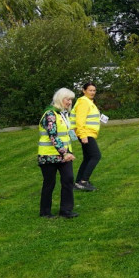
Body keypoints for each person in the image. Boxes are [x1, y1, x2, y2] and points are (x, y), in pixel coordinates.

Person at [37, 88, 77, 218]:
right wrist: (64, 153)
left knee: (68, 179)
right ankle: (45, 212)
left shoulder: (63, 114)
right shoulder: (50, 114)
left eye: (71, 100)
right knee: (49, 183)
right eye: (67, 99)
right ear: (60, 99)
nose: (69, 102)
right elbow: (52, 136)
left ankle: (66, 210)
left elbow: (66, 133)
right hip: (49, 155)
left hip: (64, 154)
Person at [70, 82, 105, 192]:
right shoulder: (84, 102)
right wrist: (83, 135)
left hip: (88, 133)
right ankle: (83, 181)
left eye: (94, 90)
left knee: (88, 158)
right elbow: (80, 120)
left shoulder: (89, 102)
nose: (92, 92)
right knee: (96, 156)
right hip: (86, 133)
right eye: (90, 90)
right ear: (84, 90)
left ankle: (78, 182)